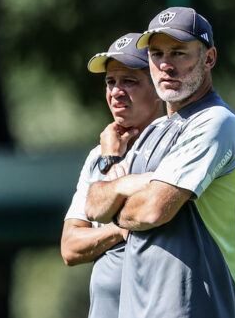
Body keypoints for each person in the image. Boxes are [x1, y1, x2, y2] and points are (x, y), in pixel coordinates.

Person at [85, 7, 235, 318]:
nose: (165, 64)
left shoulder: (216, 122)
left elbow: (153, 209)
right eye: (157, 54)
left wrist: (118, 203)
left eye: (178, 53)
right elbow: (94, 204)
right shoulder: (155, 130)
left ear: (209, 58)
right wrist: (128, 183)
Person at [60, 32, 164, 317]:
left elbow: (148, 211)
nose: (116, 91)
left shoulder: (174, 143)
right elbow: (70, 247)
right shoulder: (99, 155)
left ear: (157, 87)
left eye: (129, 81)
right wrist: (120, 229)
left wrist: (112, 163)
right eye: (110, 82)